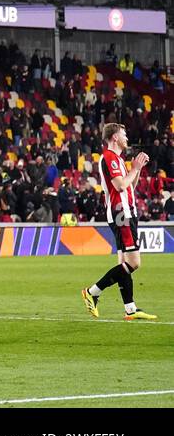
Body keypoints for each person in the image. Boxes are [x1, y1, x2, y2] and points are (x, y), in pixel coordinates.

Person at [82, 123, 157, 321]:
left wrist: (137, 169)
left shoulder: (118, 159)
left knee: (124, 263)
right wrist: (134, 168)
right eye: (123, 134)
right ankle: (92, 291)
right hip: (120, 213)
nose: (126, 137)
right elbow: (121, 185)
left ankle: (130, 309)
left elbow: (130, 183)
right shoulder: (109, 157)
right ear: (114, 137)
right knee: (134, 262)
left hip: (125, 212)